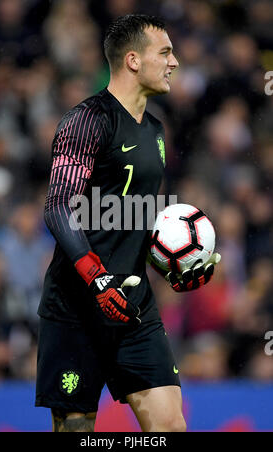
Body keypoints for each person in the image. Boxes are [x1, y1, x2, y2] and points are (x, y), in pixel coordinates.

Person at [35, 14, 220, 432]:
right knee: (76, 432)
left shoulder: (156, 130)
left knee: (171, 427)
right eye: (166, 52)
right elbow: (58, 206)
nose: (175, 62)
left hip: (134, 308)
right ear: (133, 60)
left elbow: (134, 216)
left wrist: (177, 263)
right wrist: (97, 278)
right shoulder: (87, 120)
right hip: (77, 308)